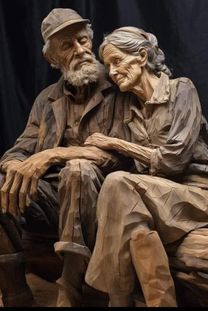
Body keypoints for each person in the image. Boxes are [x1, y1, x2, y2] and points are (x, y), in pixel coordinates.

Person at [0, 9, 134, 307]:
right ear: (52, 59)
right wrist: (15, 169)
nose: (80, 50)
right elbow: (19, 151)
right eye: (67, 45)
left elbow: (123, 153)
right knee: (1, 182)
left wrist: (53, 154)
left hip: (104, 197)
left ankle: (71, 289)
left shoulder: (120, 88)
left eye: (82, 40)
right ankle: (16, 294)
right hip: (52, 199)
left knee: (78, 170)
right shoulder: (46, 98)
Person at [84, 26, 208, 307]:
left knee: (118, 183)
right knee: (134, 226)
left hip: (195, 195)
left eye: (117, 61)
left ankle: (117, 301)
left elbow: (174, 159)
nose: (111, 72)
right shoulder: (128, 110)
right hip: (153, 199)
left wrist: (119, 144)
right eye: (108, 65)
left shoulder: (181, 90)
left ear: (142, 56)